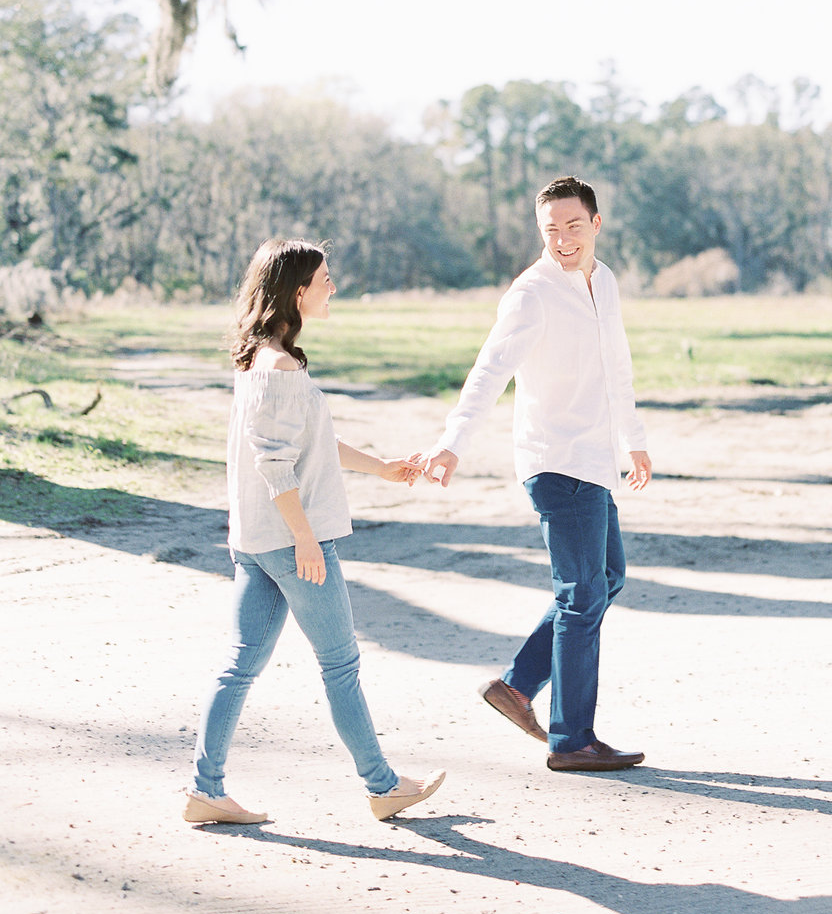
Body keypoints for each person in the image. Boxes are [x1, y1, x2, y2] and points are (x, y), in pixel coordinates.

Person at [185, 238, 445, 825]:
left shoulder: (263, 361)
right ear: (297, 291)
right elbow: (274, 466)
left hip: (255, 542)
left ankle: (205, 790)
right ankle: (383, 786)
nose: (334, 288)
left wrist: (380, 467)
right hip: (289, 541)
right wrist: (305, 538)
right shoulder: (277, 369)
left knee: (240, 664)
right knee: (340, 664)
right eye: (325, 279)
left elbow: (309, 445)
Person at [420, 176, 651, 772]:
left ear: (596, 224)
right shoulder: (533, 293)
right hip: (555, 461)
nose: (562, 239)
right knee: (581, 596)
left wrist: (635, 443)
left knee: (606, 578)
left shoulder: (605, 282)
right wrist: (452, 444)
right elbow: (489, 371)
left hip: (595, 460)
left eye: (573, 226)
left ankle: (518, 686)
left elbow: (616, 367)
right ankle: (571, 739)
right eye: (550, 229)